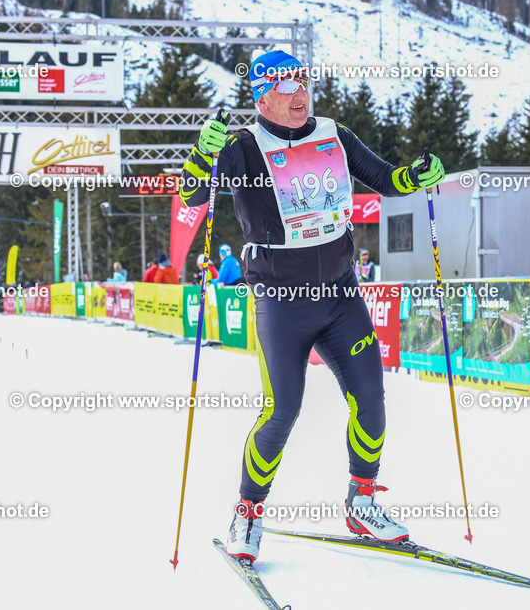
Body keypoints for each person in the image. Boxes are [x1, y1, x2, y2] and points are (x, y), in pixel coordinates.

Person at [178, 48, 446, 562]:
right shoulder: (241, 146)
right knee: (283, 411)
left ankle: (361, 501)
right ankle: (248, 512)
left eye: (303, 81)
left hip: (341, 296)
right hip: (282, 300)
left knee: (371, 399)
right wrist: (199, 156)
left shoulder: (334, 134)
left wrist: (417, 175)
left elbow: (387, 179)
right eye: (285, 85)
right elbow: (194, 197)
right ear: (261, 96)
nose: (299, 93)